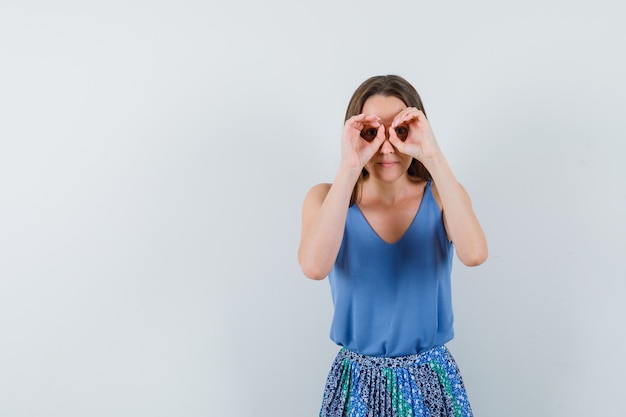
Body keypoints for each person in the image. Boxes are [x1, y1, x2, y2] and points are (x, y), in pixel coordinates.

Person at [298, 75, 488, 417]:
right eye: (372, 131)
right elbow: (314, 267)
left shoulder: (442, 194)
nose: (386, 147)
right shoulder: (326, 198)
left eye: (399, 131)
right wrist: (350, 165)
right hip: (355, 383)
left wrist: (432, 154)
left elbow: (474, 254)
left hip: (431, 380)